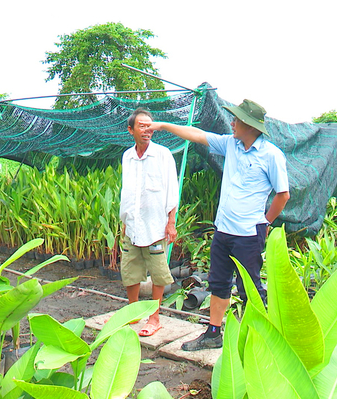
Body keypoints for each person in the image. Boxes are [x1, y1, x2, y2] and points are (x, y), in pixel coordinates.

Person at [147, 99, 290, 350]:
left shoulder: (271, 155)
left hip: (248, 232)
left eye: (236, 120)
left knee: (250, 288)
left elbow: (283, 194)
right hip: (223, 230)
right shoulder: (231, 145)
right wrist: (163, 125)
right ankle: (213, 333)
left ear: (250, 125)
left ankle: (256, 341)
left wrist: (265, 222)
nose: (232, 123)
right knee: (219, 283)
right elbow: (198, 135)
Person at [120, 107, 179, 337]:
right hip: (132, 225)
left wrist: (171, 222)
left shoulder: (163, 154)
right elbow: (128, 191)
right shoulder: (128, 156)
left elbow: (171, 190)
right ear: (130, 130)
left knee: (158, 271)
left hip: (155, 226)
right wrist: (125, 220)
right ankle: (133, 311)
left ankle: (154, 317)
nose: (147, 130)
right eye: (141, 126)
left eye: (149, 125)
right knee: (130, 270)